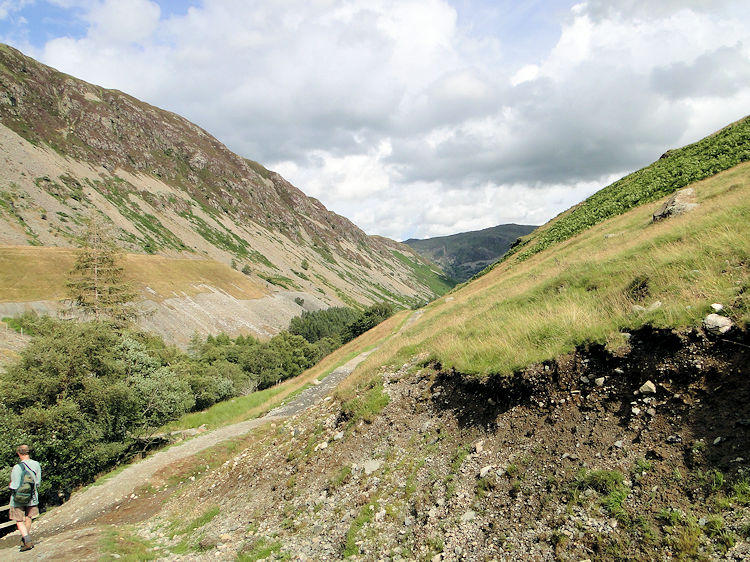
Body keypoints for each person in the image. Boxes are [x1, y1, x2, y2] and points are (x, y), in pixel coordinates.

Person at [8, 444, 41, 552]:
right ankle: (26, 538)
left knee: (18, 519)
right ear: (28, 452)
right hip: (32, 496)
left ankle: (27, 540)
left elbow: (14, 485)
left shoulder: (17, 467)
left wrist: (10, 486)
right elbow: (38, 482)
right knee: (28, 517)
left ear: (18, 453)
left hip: (18, 498)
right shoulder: (36, 464)